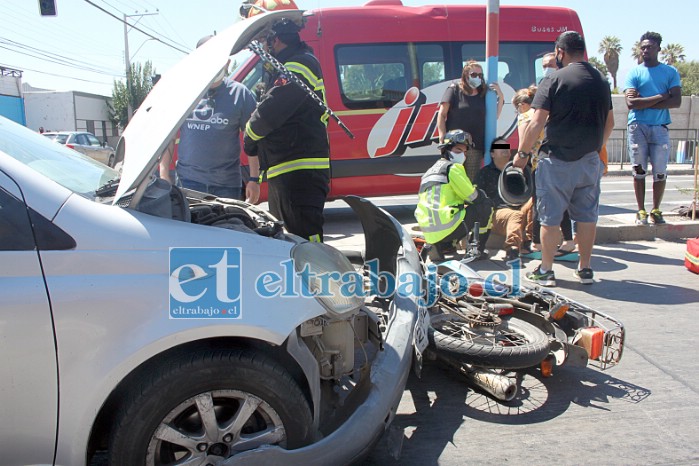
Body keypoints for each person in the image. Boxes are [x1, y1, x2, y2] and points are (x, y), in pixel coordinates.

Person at [514, 31, 614, 286]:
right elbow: (610, 122)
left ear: (560, 51)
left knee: (550, 217)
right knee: (587, 216)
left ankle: (546, 270)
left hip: (556, 160)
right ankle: (585, 268)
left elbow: (536, 122)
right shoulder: (601, 80)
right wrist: (596, 148)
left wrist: (523, 154)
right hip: (589, 160)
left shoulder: (555, 79)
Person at [244, 18, 330, 242]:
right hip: (287, 169)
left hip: (298, 171)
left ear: (276, 39)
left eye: (263, 40)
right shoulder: (289, 65)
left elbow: (269, 113)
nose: (262, 47)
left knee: (305, 242)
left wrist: (249, 137)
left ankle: (316, 278)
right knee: (290, 240)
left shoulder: (298, 65)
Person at [160, 35, 259, 202]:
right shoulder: (183, 93)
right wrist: (163, 173)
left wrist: (254, 179)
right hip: (189, 183)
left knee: (226, 227)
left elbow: (253, 140)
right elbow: (168, 137)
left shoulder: (240, 94)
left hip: (227, 185)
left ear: (227, 62)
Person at [624, 31, 682, 225]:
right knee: (638, 170)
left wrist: (645, 101)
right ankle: (640, 210)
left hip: (660, 128)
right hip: (637, 127)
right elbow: (631, 103)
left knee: (660, 171)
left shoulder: (670, 72)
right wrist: (660, 96)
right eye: (643, 47)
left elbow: (676, 101)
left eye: (649, 47)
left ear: (658, 48)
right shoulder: (634, 73)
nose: (645, 50)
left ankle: (656, 209)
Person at [513, 86, 577, 261]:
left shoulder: (525, 117)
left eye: (516, 107)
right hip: (559, 161)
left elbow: (524, 142)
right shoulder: (548, 115)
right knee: (561, 200)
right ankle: (568, 240)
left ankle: (537, 244)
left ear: (522, 104)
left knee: (538, 203)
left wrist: (520, 158)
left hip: (538, 164)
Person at [415, 129, 494, 261]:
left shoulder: (430, 171)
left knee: (458, 207)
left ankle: (445, 245)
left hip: (429, 231)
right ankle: (476, 250)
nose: (462, 155)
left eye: (464, 152)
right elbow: (472, 196)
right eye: (458, 151)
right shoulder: (453, 168)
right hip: (446, 227)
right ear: (446, 150)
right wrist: (481, 194)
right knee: (485, 205)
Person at [437, 60, 504, 182]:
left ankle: (471, 202)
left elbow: (494, 117)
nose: (477, 78)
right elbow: (441, 115)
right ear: (465, 75)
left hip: (475, 146)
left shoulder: (484, 93)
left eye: (480, 75)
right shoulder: (454, 90)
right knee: (452, 177)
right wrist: (442, 137)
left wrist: (501, 96)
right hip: (454, 144)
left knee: (471, 181)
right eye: (474, 75)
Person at [475, 138, 528, 261]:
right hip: (497, 213)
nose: (505, 150)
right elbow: (477, 197)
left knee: (534, 202)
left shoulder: (517, 171)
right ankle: (512, 250)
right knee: (515, 215)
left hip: (518, 208)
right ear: (492, 154)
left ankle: (529, 243)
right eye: (501, 148)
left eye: (507, 147)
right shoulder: (484, 173)